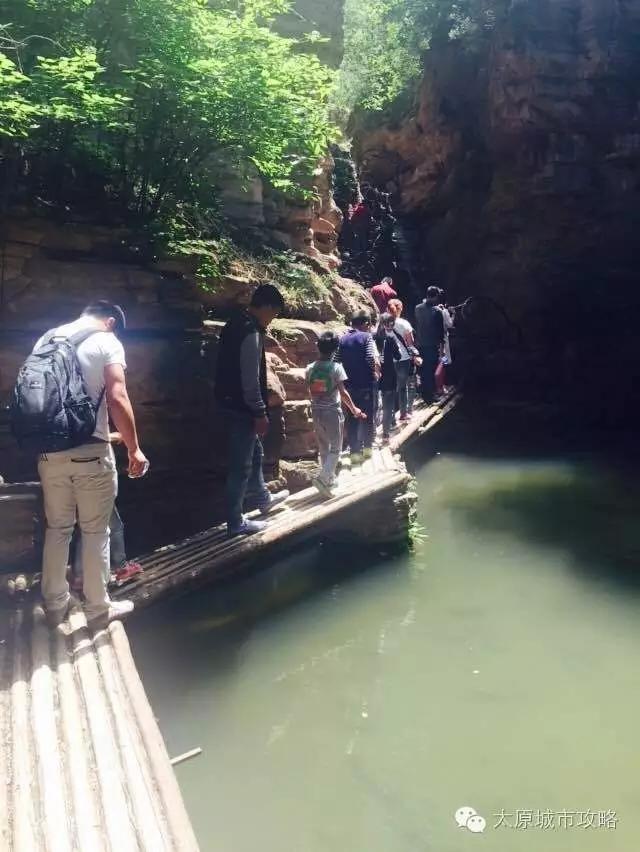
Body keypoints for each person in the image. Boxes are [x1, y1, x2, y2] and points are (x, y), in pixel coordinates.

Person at [34, 301, 148, 629]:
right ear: (110, 321)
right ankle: (98, 610)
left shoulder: (47, 338)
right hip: (90, 451)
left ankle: (55, 604)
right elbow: (117, 396)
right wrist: (133, 447)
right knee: (97, 530)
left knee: (58, 528)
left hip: (48, 451)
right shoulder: (106, 340)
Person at [215, 283, 290, 536]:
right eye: (274, 313)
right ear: (267, 307)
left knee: (255, 452)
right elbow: (249, 378)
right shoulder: (251, 332)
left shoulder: (235, 322)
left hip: (227, 400)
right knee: (241, 465)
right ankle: (236, 523)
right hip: (242, 407)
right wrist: (259, 412)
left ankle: (262, 497)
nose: (272, 320)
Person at [70, 432, 142, 592]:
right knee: (114, 526)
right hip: (92, 470)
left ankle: (79, 575)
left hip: (71, 472)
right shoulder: (83, 409)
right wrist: (113, 436)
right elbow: (83, 437)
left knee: (84, 526)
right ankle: (121, 568)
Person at [306, 331, 366, 497]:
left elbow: (310, 391)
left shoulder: (309, 368)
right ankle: (323, 478)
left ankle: (329, 480)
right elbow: (343, 392)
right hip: (332, 411)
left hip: (316, 410)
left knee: (324, 446)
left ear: (318, 348)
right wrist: (354, 410)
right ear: (334, 350)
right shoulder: (336, 368)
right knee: (336, 449)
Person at [338, 310, 380, 464]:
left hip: (348, 385)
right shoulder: (367, 337)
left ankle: (354, 452)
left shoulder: (342, 339)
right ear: (365, 324)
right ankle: (367, 450)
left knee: (352, 418)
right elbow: (370, 357)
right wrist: (373, 372)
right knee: (367, 417)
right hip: (365, 384)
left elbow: (336, 360)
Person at [387, 298, 420, 420]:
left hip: (389, 360)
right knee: (408, 385)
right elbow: (410, 344)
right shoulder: (404, 323)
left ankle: (391, 417)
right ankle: (406, 412)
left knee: (392, 387)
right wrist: (415, 356)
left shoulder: (383, 324)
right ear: (400, 309)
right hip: (404, 359)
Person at [414, 286, 445, 404]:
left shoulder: (417, 308)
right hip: (431, 345)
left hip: (420, 344)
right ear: (436, 296)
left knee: (422, 370)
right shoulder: (437, 311)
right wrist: (441, 351)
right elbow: (440, 333)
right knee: (431, 370)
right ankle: (431, 396)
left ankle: (424, 394)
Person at [375, 314, 403, 444]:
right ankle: (385, 435)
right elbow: (398, 356)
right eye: (391, 323)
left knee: (374, 406)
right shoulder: (391, 339)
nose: (392, 326)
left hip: (374, 376)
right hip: (389, 376)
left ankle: (372, 435)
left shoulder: (372, 337)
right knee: (387, 407)